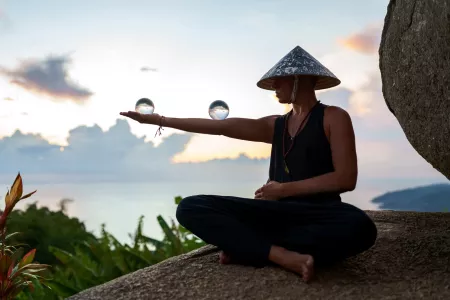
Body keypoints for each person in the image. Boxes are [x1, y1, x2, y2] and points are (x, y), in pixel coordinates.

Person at [120, 46, 377, 283]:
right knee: (190, 207)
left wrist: (283, 190)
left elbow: (345, 179)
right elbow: (222, 127)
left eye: (281, 79)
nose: (274, 85)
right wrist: (160, 120)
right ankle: (278, 255)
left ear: (301, 79)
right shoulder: (275, 124)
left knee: (360, 227)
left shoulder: (333, 117)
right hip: (275, 216)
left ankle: (250, 249)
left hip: (318, 215)